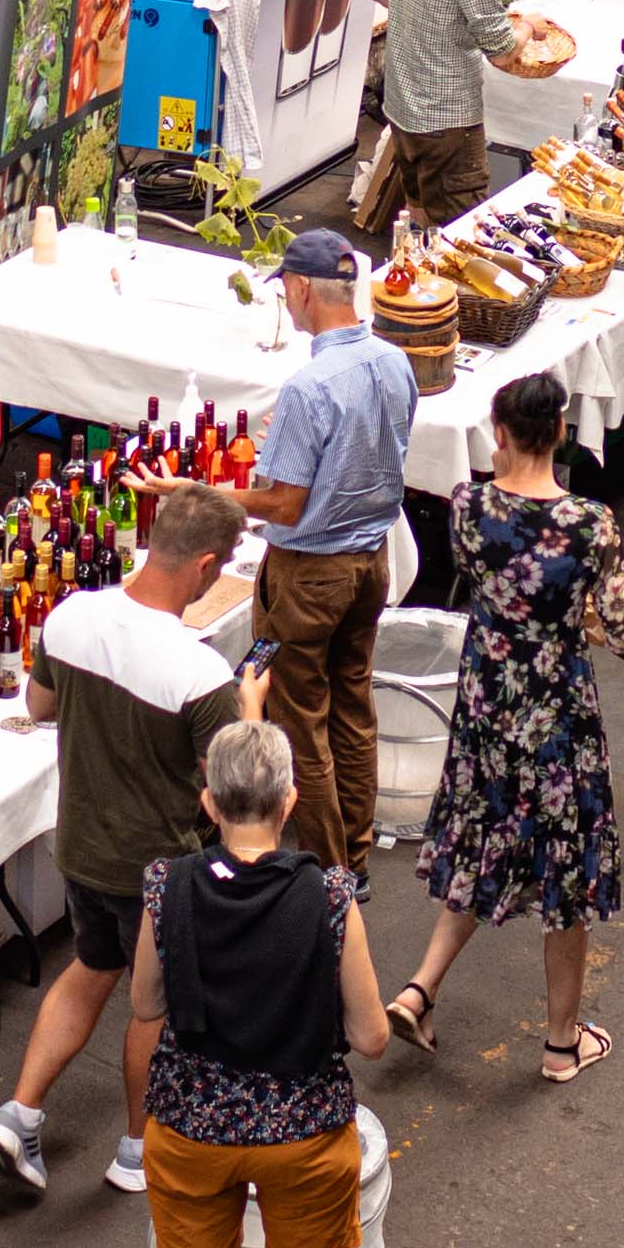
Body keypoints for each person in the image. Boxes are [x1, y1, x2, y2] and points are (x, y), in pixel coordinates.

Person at [127, 720, 388, 1248]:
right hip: (303, 1135)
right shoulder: (330, 895)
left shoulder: (166, 885)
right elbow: (373, 1035)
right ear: (289, 799)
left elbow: (145, 1001)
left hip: (190, 1130)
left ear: (208, 801)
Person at [0, 483, 255, 1198]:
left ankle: (21, 1111)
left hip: (81, 849)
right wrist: (251, 710)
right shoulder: (199, 671)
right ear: (202, 565)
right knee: (152, 1005)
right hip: (155, 868)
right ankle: (138, 1148)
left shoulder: (73, 616)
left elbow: (37, 706)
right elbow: (234, 789)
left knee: (89, 966)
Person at [401, 370, 624, 1080]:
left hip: (485, 704)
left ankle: (419, 990)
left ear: (500, 434)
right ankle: (562, 1044)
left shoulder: (469, 505)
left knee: (482, 835)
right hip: (555, 711)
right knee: (563, 874)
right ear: (561, 432)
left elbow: (480, 579)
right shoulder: (590, 524)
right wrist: (582, 620)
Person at [215, 226, 416, 878]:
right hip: (369, 563)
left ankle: (332, 871)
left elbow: (284, 505)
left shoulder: (308, 386)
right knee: (353, 704)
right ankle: (354, 849)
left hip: (306, 579)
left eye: (287, 291)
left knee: (299, 719)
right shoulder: (394, 360)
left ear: (301, 288)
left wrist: (216, 493)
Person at [355, 0, 537, 231]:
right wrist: (528, 28)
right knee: (463, 228)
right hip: (448, 119)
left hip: (402, 103)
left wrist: (428, 15)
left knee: (418, 207)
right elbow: (503, 55)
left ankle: (420, 279)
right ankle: (448, 289)